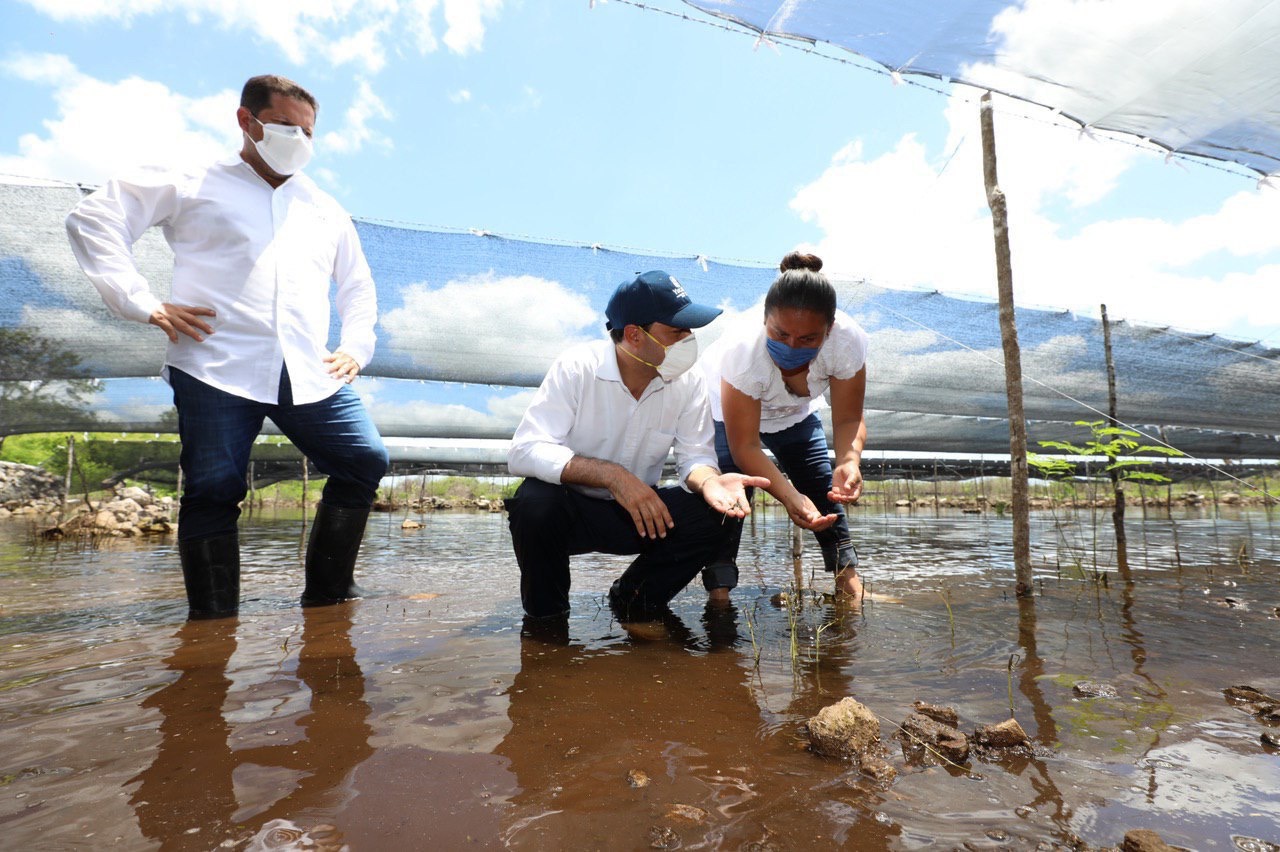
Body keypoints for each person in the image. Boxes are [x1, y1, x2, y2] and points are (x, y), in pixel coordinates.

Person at [66, 74, 389, 620]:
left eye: (309, 131)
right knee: (214, 489)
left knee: (363, 459)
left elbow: (357, 287)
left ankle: (328, 597)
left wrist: (356, 346)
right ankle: (213, 626)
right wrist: (142, 300)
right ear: (248, 121)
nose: (300, 140)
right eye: (287, 126)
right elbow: (94, 219)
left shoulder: (324, 208)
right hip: (215, 363)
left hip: (306, 368)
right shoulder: (192, 179)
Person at [506, 270, 769, 620]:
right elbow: (525, 449)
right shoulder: (578, 367)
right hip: (572, 513)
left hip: (643, 516)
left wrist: (709, 481)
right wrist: (613, 476)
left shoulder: (688, 382)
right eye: (677, 331)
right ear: (634, 335)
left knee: (723, 506)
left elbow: (695, 456)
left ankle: (635, 597)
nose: (689, 339)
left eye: (689, 330)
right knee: (534, 503)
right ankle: (547, 621)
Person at [700, 251, 868, 601]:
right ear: (765, 320)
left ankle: (851, 586)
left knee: (825, 489)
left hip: (795, 415)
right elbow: (744, 446)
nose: (792, 346)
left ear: (829, 330)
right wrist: (789, 497)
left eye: (808, 339)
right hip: (725, 413)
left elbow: (849, 418)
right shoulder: (743, 350)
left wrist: (849, 461)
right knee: (732, 497)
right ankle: (719, 596)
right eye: (781, 333)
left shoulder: (847, 342)